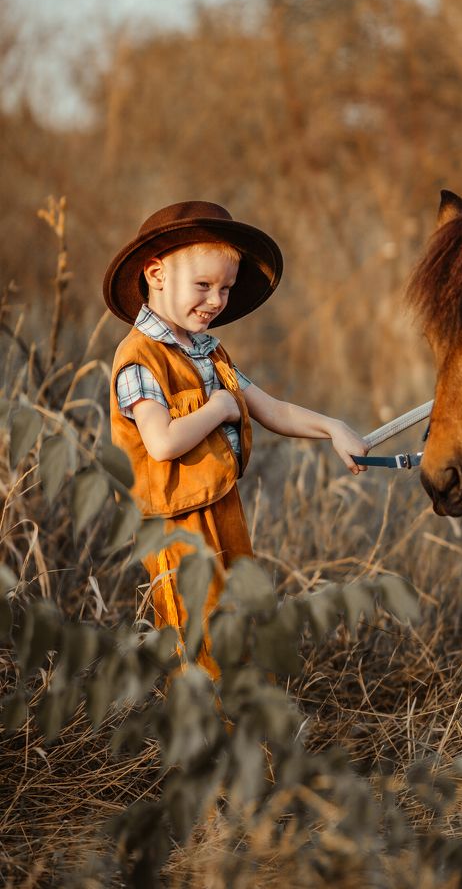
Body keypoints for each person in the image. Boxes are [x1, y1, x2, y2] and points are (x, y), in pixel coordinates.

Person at [103, 200, 367, 677]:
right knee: (195, 625)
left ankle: (241, 722)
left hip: (222, 505)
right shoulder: (140, 358)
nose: (216, 300)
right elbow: (161, 442)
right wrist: (218, 408)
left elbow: (271, 409)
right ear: (157, 274)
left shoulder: (208, 351)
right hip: (174, 520)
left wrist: (333, 427)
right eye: (203, 285)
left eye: (224, 288)